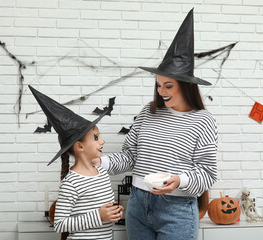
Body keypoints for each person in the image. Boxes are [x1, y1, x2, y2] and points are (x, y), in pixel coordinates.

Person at [94, 9, 218, 240]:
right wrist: (100, 162)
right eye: (158, 85)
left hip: (177, 210)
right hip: (138, 204)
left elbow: (207, 173)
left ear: (186, 86)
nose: (161, 92)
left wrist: (179, 181)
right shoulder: (148, 112)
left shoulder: (203, 120)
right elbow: (130, 156)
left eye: (168, 86)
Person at [29, 86, 123, 240]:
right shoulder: (71, 182)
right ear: (79, 146)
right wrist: (99, 215)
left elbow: (102, 211)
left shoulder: (103, 173)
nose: (102, 141)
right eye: (96, 137)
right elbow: (60, 224)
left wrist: (113, 213)